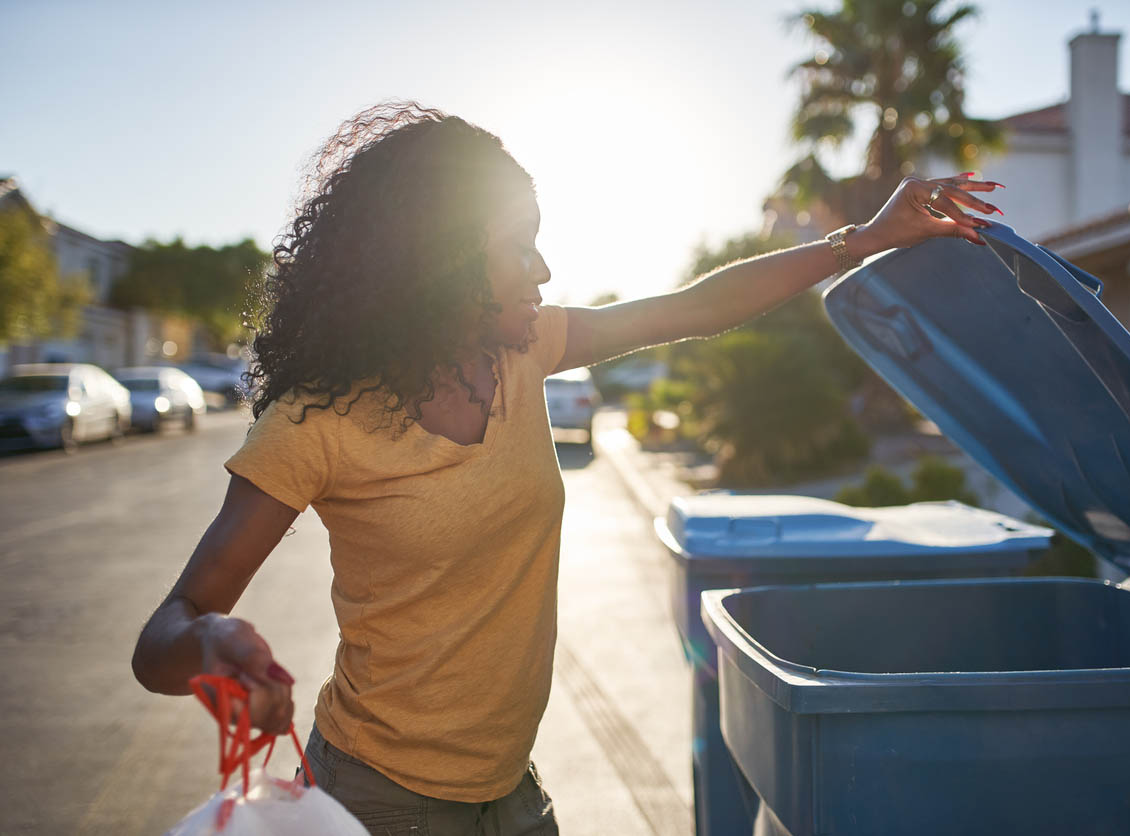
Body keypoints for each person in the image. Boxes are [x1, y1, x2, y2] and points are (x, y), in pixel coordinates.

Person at [131, 101, 1001, 835]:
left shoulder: (521, 351)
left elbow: (696, 306)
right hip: (377, 798)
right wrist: (209, 644)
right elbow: (166, 630)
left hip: (512, 793)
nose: (544, 270)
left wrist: (866, 238)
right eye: (518, 247)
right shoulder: (315, 421)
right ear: (434, 266)